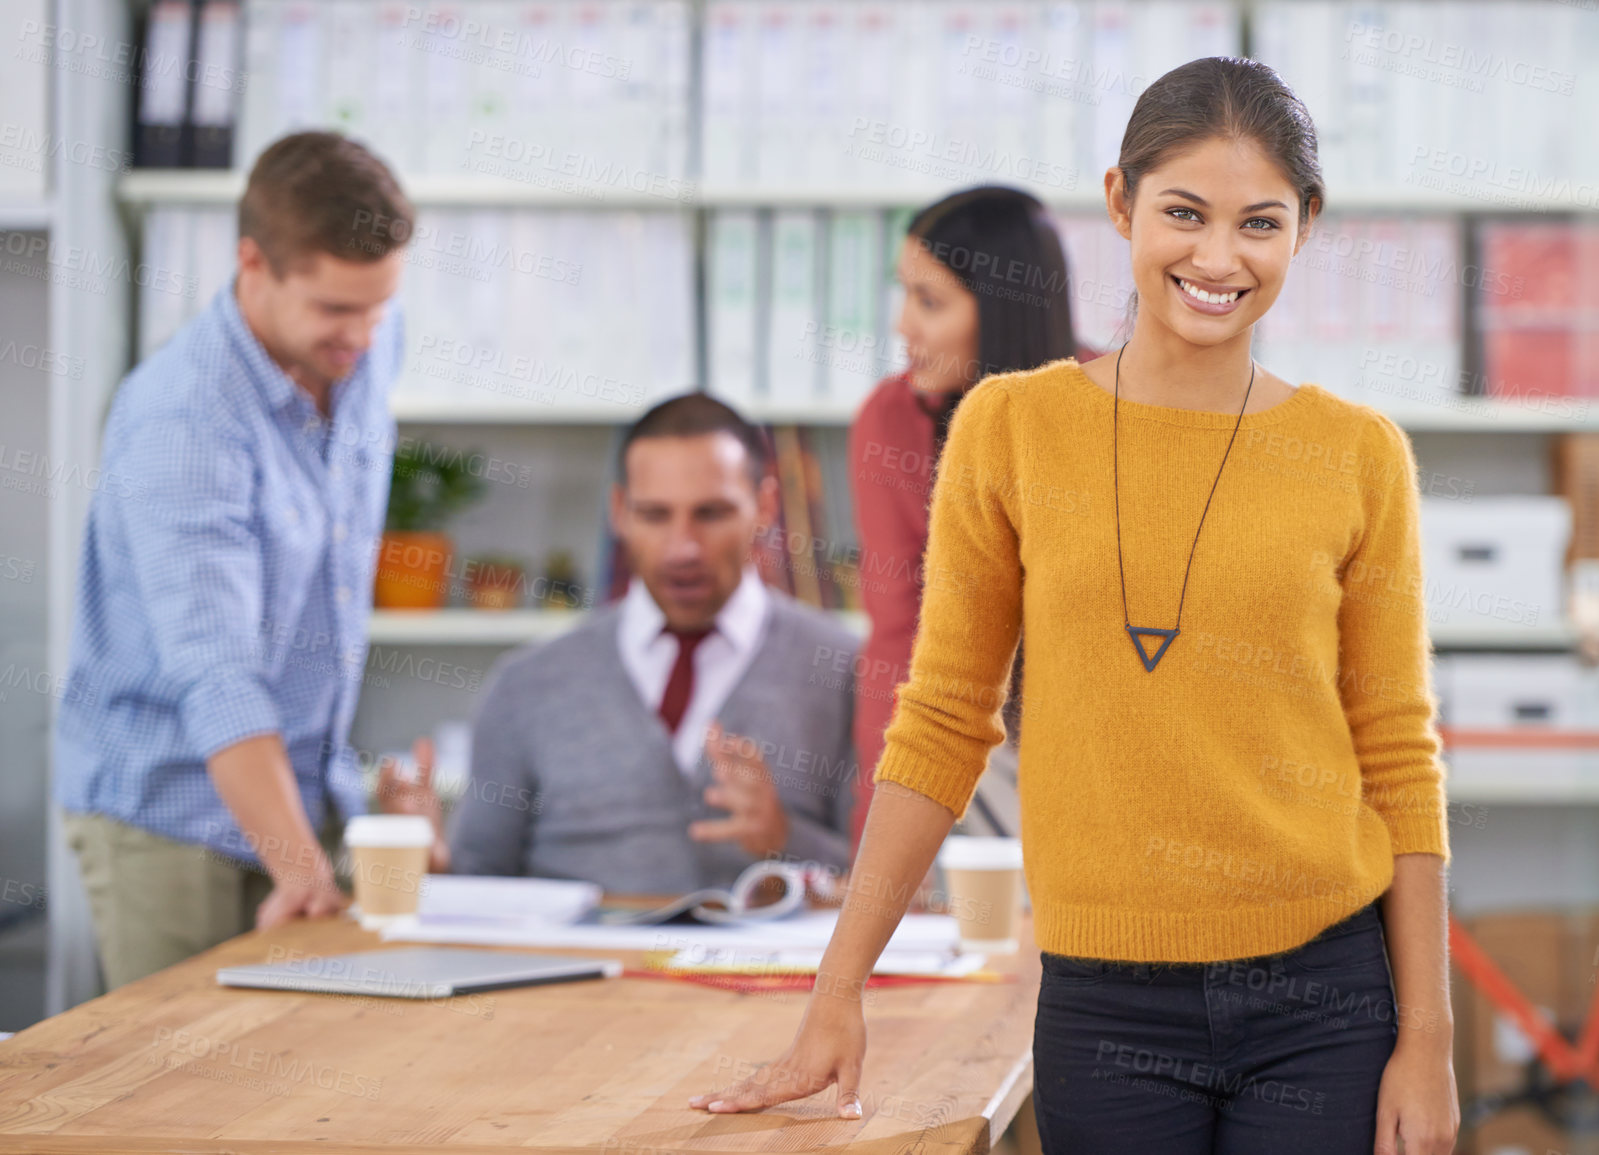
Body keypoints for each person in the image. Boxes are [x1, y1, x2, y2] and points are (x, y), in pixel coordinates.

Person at [689, 57, 1458, 1155]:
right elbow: (945, 716)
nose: (1217, 258)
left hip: (1324, 997)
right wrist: (837, 985)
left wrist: (1424, 1041)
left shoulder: (1357, 452)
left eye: (1260, 224)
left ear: (1305, 229)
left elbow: (1398, 756)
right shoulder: (1009, 427)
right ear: (1119, 204)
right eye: (1183, 214)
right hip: (1107, 1004)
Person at [55, 131, 412, 988]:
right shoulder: (184, 420)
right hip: (170, 817)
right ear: (253, 262)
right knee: (182, 1090)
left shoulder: (360, 344)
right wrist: (299, 867)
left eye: (379, 306)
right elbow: (218, 673)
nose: (362, 336)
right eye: (335, 310)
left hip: (305, 789)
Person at [380, 393, 857, 893]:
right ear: (619, 511)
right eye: (654, 515)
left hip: (768, 970)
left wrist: (787, 838)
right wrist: (431, 867)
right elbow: (479, 888)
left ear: (764, 507)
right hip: (575, 970)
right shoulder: (527, 683)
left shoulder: (844, 670)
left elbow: (901, 890)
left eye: (711, 513)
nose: (683, 548)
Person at [847, 186, 1099, 851]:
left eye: (930, 302)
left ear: (1002, 308)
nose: (904, 325)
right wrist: (871, 842)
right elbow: (899, 634)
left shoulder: (1114, 403)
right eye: (903, 294)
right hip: (958, 752)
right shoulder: (890, 420)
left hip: (1097, 758)